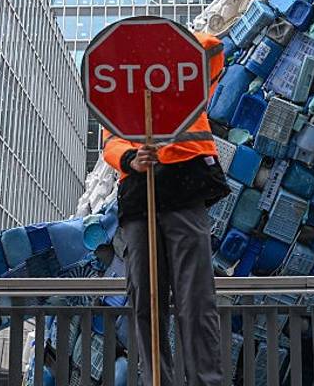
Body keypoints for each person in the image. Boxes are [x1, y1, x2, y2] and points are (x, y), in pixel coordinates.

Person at [102, 32, 230, 386]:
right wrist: (131, 158)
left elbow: (213, 47)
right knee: (145, 299)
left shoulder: (185, 81)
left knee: (196, 298)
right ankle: (158, 380)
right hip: (139, 198)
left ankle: (205, 380)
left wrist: (164, 37)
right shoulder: (118, 91)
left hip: (185, 187)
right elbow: (110, 141)